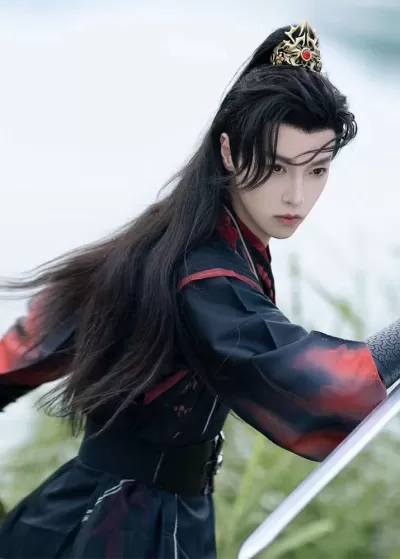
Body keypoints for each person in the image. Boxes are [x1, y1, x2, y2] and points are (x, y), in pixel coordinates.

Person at [0, 20, 399, 559]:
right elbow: (308, 381)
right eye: (276, 167)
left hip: (87, 513)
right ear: (228, 152)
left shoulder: (167, 238)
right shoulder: (203, 275)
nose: (296, 196)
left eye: (317, 169)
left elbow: (20, 352)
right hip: (132, 529)